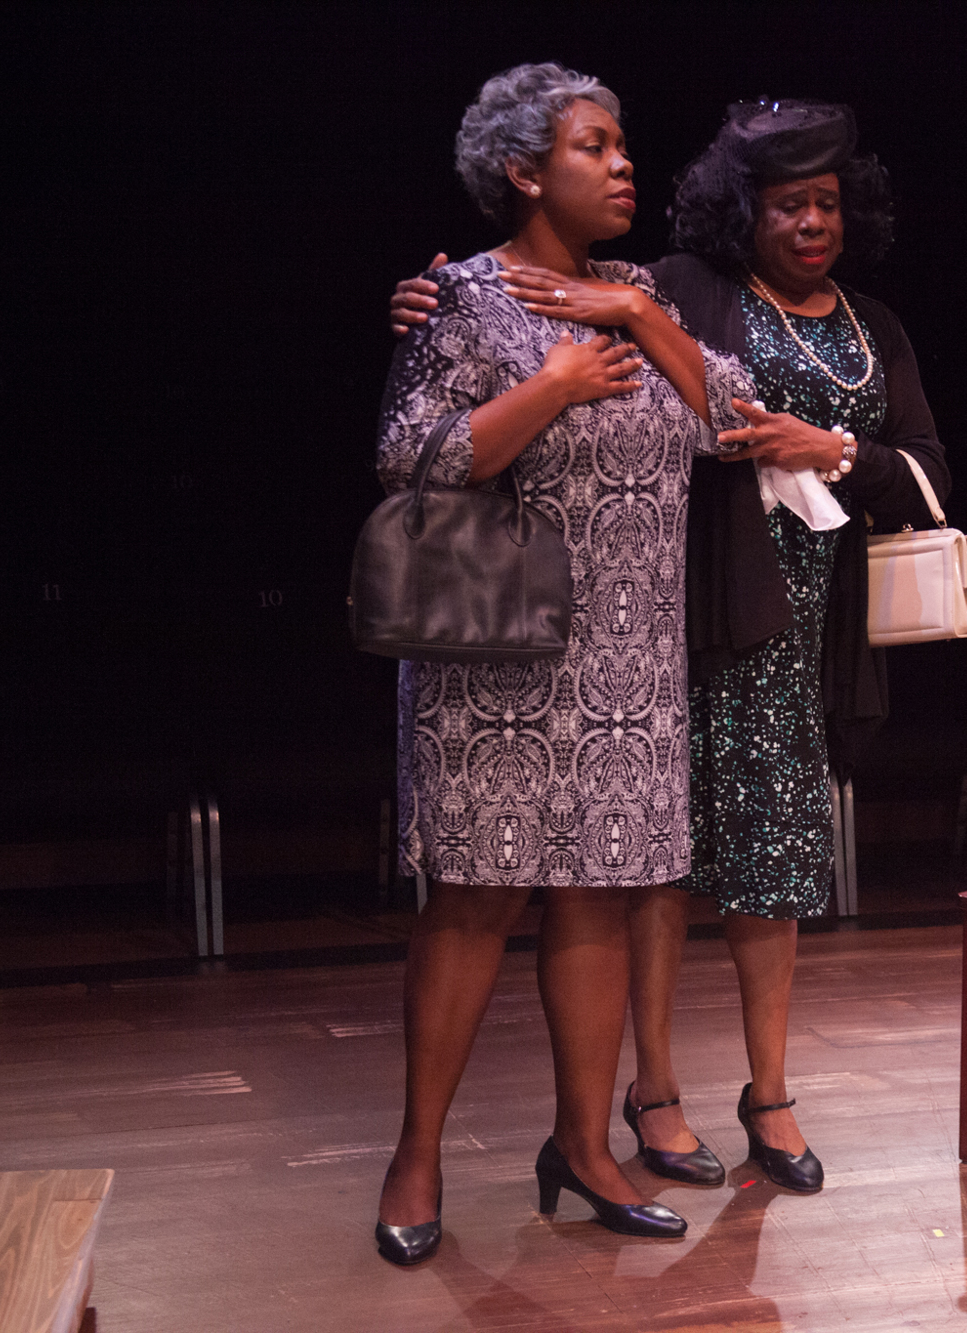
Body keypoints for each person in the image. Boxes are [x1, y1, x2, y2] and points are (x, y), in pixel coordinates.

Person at [389, 100, 949, 1192]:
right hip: (650, 622)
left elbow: (832, 440)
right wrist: (432, 301)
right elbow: (451, 402)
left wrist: (827, 443)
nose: (809, 222)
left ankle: (724, 1106)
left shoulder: (815, 318)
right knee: (602, 877)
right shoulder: (667, 286)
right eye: (787, 203)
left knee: (739, 863)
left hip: (744, 631)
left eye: (826, 203)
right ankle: (613, 1105)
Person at [373, 63, 748, 1264]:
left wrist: (637, 324)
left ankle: (584, 1147)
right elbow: (411, 458)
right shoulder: (460, 300)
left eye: (623, 142)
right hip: (499, 659)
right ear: (525, 172)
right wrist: (550, 382)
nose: (624, 161)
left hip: (630, 662)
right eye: (596, 145)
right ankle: (416, 1155)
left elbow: (733, 423)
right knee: (475, 902)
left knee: (595, 895)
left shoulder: (643, 293)